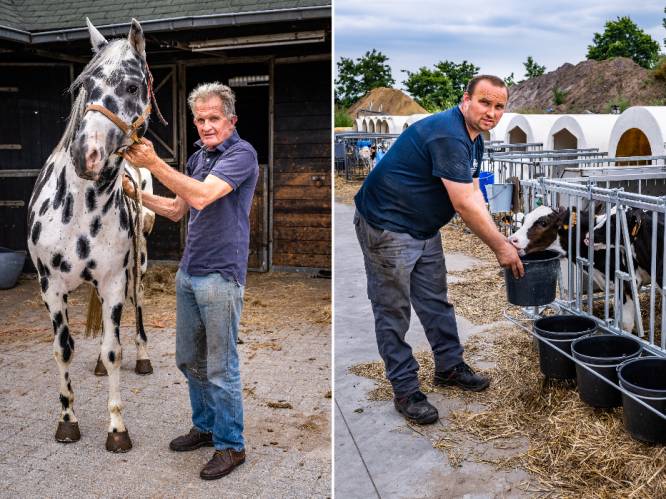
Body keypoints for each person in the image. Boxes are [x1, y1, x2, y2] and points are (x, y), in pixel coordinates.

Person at [353, 75, 524, 425]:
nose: (491, 112)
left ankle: (449, 366)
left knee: (434, 300)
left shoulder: (473, 139)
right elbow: (463, 203)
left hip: (423, 226)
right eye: (485, 103)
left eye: (499, 106)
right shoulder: (448, 133)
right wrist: (500, 248)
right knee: (393, 309)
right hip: (388, 226)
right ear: (466, 100)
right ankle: (405, 389)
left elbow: (474, 193)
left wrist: (501, 235)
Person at [122, 82, 258, 478]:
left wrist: (153, 165)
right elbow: (178, 208)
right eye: (199, 119)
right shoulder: (200, 157)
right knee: (188, 359)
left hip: (221, 275)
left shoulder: (241, 154)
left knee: (221, 366)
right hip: (190, 271)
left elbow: (201, 197)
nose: (206, 126)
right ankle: (206, 427)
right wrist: (134, 193)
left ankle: (231, 446)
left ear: (231, 120)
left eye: (213, 118)